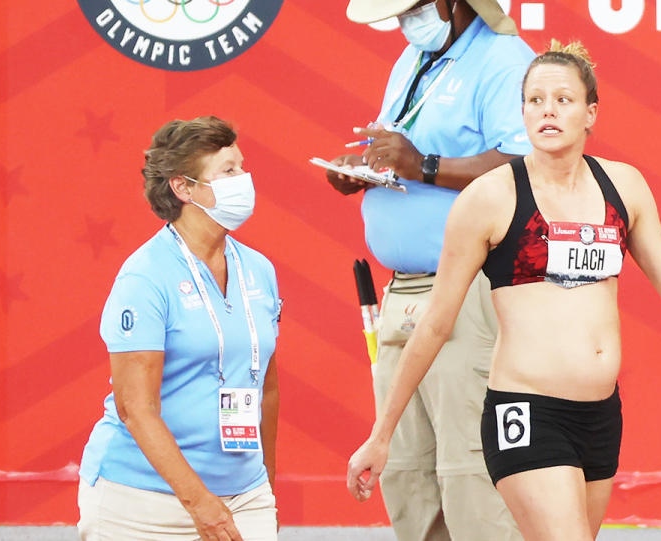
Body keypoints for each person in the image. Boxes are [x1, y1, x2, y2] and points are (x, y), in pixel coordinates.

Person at [346, 41, 661, 540]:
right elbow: (434, 323)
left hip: (601, 416)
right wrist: (381, 435)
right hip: (526, 411)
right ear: (521, 112)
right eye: (535, 100)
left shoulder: (623, 188)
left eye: (563, 99)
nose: (548, 111)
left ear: (591, 112)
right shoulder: (490, 197)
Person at [327, 1, 534, 539]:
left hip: (469, 289)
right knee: (406, 470)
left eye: (412, 9)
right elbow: (400, 154)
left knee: (472, 470)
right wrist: (365, 171)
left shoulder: (504, 60)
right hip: (404, 291)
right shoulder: (413, 57)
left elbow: (529, 165)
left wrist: (423, 166)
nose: (403, 22)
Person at [77, 116, 282, 541]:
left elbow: (267, 386)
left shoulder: (259, 270)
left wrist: (266, 487)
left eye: (242, 168)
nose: (243, 180)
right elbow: (137, 409)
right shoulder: (145, 278)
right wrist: (200, 503)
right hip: (142, 502)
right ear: (183, 187)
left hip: (245, 496)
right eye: (228, 172)